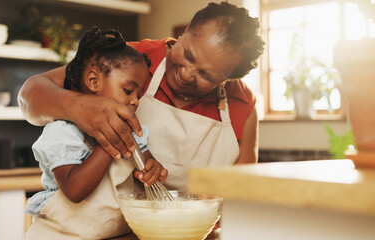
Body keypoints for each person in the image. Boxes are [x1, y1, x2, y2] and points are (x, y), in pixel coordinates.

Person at [18, 2, 265, 191]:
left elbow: (243, 194)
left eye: (206, 75)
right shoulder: (131, 62)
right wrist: (80, 106)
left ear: (228, 79)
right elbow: (29, 95)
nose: (186, 74)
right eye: (187, 54)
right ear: (186, 30)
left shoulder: (241, 104)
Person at [23, 27, 168, 240]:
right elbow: (74, 190)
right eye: (128, 90)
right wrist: (109, 142)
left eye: (140, 93)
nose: (135, 100)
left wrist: (153, 169)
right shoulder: (61, 132)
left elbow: (145, 163)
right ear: (93, 82)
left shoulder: (132, 132)